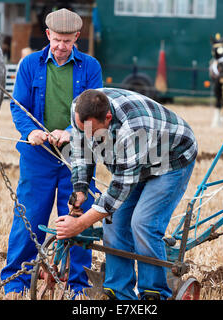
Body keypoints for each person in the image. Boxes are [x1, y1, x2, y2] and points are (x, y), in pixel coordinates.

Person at [55, 88, 198, 300]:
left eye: (92, 132)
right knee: (113, 223)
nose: (87, 136)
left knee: (143, 223)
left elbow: (118, 191)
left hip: (171, 160)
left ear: (108, 118)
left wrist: (80, 224)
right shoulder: (80, 108)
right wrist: (80, 188)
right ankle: (119, 292)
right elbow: (80, 150)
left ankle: (154, 293)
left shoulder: (132, 129)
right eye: (81, 128)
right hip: (137, 160)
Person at [0, 8, 103, 298]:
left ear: (77, 38)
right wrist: (30, 132)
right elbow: (18, 107)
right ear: (47, 35)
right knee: (30, 217)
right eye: (57, 39)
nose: (61, 46)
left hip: (78, 155)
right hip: (37, 155)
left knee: (77, 217)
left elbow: (95, 110)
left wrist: (72, 132)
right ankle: (16, 282)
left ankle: (78, 285)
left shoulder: (91, 66)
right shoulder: (30, 64)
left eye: (67, 41)